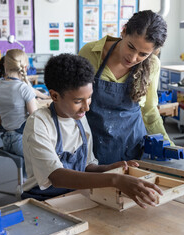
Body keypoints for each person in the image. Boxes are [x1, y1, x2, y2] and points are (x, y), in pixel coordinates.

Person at [21, 54, 162, 208]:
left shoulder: (79, 118)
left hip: (76, 195)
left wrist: (109, 169)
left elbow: (87, 167)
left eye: (89, 98)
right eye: (78, 101)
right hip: (41, 201)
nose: (87, 107)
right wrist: (114, 180)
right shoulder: (39, 123)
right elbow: (56, 176)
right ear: (54, 96)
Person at [79, 10, 184, 165]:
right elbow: (73, 100)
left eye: (143, 54)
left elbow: (149, 111)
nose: (133, 58)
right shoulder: (90, 53)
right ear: (123, 31)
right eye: (130, 47)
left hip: (132, 147)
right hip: (93, 145)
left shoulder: (153, 65)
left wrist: (168, 145)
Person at [0, 49, 37, 158]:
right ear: (25, 67)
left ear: (4, 65)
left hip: (6, 142)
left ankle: (25, 175)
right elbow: (36, 121)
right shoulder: (24, 88)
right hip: (22, 142)